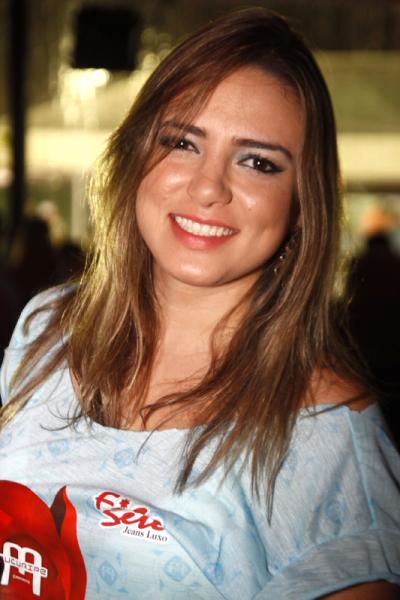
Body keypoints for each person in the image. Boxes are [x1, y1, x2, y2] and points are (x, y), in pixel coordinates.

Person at [0, 8, 399, 599]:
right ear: (137, 155)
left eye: (258, 162)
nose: (209, 187)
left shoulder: (329, 439)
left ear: (301, 206)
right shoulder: (49, 329)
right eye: (182, 142)